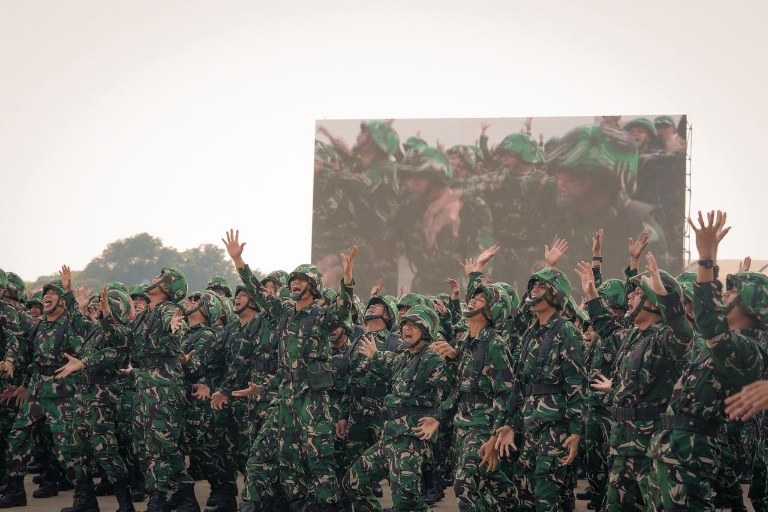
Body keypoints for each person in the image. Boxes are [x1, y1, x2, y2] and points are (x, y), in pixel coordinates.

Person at [224, 229, 355, 512]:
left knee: (319, 456)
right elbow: (258, 292)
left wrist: (347, 278)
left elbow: (344, 308)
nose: (294, 283)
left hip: (312, 397)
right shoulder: (283, 311)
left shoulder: (321, 316)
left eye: (301, 280)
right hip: (286, 393)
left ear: (314, 286)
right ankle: (297, 504)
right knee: (287, 456)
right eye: (293, 280)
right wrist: (238, 260)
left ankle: (326, 506)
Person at [646, 210, 766, 511]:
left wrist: (707, 257)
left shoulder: (747, 350)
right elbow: (688, 322)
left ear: (751, 307)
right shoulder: (722, 343)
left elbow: (708, 318)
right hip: (671, 448)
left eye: (734, 292)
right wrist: (664, 293)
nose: (726, 296)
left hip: (692, 453)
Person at [575, 245, 693, 511]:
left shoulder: (666, 338)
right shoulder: (631, 336)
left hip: (652, 450)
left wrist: (664, 293)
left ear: (654, 301)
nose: (629, 298)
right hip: (623, 445)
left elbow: (683, 331)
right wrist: (592, 295)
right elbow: (605, 325)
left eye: (638, 293)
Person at [496, 266, 586, 512]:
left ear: (556, 295)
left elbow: (576, 386)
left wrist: (576, 431)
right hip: (529, 430)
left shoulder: (567, 332)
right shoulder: (530, 333)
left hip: (555, 432)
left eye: (542, 286)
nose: (534, 290)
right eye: (533, 286)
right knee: (525, 499)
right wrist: (510, 423)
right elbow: (520, 385)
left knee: (546, 500)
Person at [345, 305, 452, 511]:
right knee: (353, 484)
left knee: (406, 500)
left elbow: (455, 390)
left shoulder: (433, 358)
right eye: (405, 325)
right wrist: (375, 354)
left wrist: (438, 418)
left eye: (414, 325)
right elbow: (387, 360)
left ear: (427, 330)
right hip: (391, 436)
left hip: (411, 441)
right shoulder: (405, 357)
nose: (407, 329)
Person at [55, 265, 136, 512]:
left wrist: (85, 362)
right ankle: (85, 501)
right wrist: (69, 294)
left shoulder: (120, 332)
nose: (98, 309)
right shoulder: (94, 330)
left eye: (105, 306)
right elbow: (77, 322)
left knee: (106, 451)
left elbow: (113, 352)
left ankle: (126, 505)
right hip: (83, 397)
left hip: (102, 398)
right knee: (76, 449)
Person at [0, 279, 83, 509]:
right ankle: (16, 491)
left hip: (62, 392)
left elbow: (82, 358)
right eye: (45, 293)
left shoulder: (72, 325)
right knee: (18, 436)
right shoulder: (38, 326)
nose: (46, 296)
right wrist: (22, 384)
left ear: (63, 301)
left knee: (66, 448)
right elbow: (26, 357)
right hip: (37, 389)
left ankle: (85, 497)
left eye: (53, 293)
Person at [129, 267, 197, 512]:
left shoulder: (169, 309)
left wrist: (173, 325)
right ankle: (185, 498)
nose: (154, 278)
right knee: (146, 445)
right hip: (146, 382)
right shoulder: (147, 312)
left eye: (160, 278)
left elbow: (173, 323)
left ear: (167, 287)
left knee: (161, 445)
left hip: (164, 385)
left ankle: (159, 498)